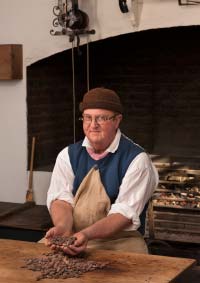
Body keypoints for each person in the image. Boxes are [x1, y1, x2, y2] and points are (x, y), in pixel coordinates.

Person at [45, 87, 159, 255]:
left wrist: (86, 234)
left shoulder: (136, 160)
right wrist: (63, 228)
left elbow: (123, 214)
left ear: (117, 120)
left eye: (101, 118)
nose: (93, 125)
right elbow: (61, 199)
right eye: (88, 118)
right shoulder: (68, 155)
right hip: (72, 237)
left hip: (120, 241)